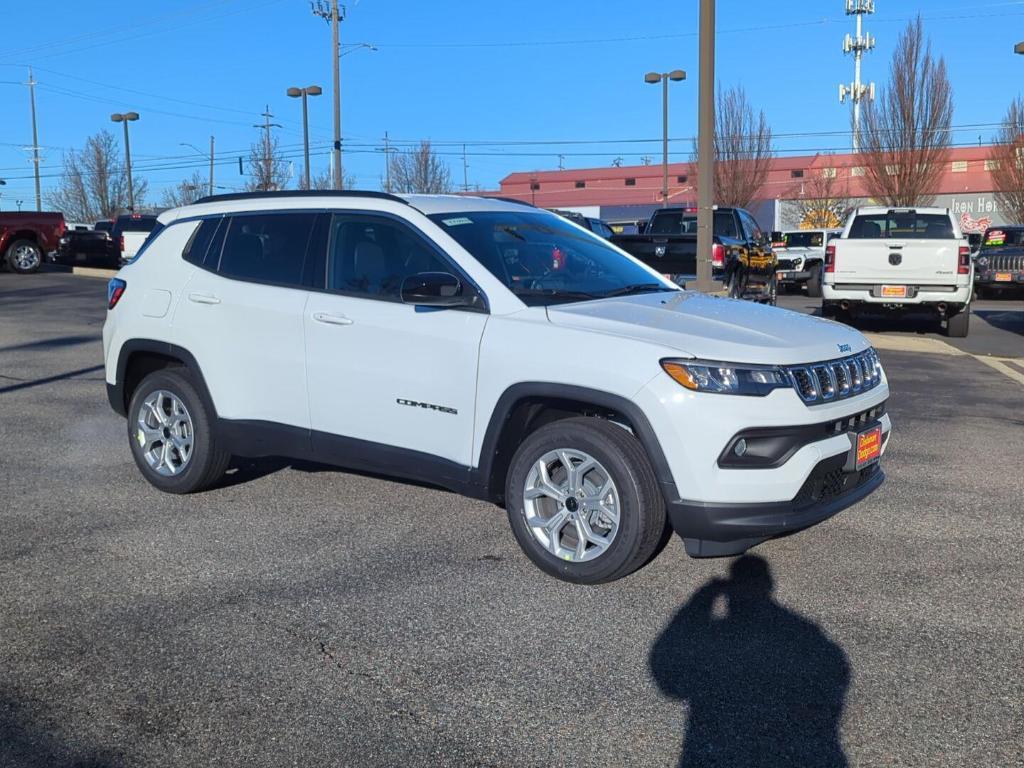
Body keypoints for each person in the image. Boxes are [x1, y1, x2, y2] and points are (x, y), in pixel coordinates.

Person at [649, 555, 850, 767]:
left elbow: (667, 677)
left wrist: (705, 594)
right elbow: (836, 670)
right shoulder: (806, 632)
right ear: (769, 584)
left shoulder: (800, 633)